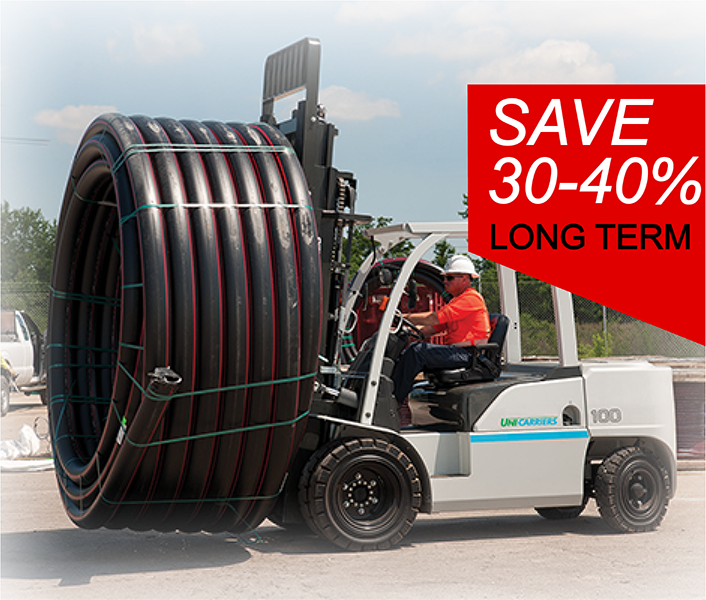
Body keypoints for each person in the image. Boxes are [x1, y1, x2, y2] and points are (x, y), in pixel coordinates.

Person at [391, 255, 490, 423]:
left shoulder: (471, 299)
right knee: (411, 350)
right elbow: (435, 328)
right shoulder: (458, 301)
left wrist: (401, 316)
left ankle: (394, 401)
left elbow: (435, 318)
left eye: (449, 278)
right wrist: (408, 330)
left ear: (464, 279)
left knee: (418, 352)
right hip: (460, 353)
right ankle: (391, 394)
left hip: (468, 355)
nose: (445, 281)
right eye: (444, 277)